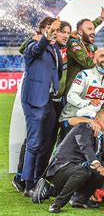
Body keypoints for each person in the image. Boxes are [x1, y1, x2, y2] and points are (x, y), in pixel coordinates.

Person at [33, 109, 104, 213]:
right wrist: (98, 166)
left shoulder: (100, 137)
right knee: (84, 171)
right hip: (60, 169)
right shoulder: (85, 127)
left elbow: (96, 158)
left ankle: (80, 200)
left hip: (76, 169)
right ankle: (57, 203)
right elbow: (86, 148)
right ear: (97, 119)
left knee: (103, 167)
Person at [20, 18, 63, 196]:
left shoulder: (54, 46)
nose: (55, 32)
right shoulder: (32, 44)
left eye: (57, 29)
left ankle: (38, 180)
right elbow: (37, 49)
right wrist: (46, 34)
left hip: (49, 100)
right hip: (35, 100)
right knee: (34, 142)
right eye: (52, 29)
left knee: (45, 144)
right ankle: (28, 184)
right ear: (44, 29)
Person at [58, 49, 104, 143]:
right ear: (94, 60)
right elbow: (71, 96)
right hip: (71, 118)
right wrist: (87, 102)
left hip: (92, 122)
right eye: (102, 56)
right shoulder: (84, 75)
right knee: (64, 152)